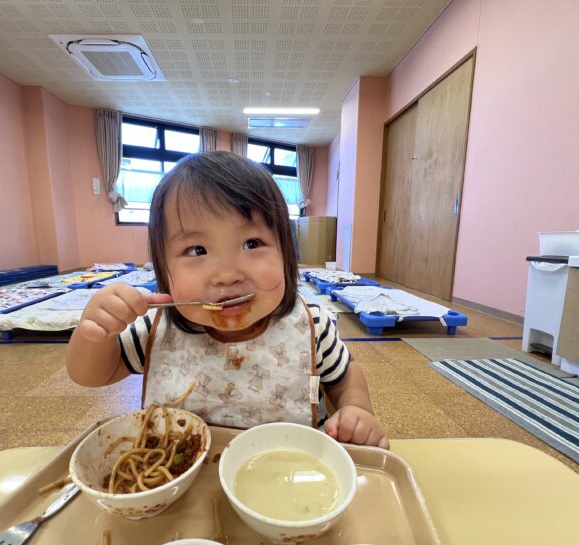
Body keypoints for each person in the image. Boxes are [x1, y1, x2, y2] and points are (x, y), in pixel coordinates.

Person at [67, 151, 389, 449]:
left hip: (286, 471)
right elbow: (94, 374)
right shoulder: (158, 329)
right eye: (197, 250)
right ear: (162, 269)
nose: (226, 274)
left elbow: (344, 375)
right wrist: (95, 334)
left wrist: (356, 410)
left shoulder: (311, 325)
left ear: (287, 253)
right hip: (185, 478)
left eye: (252, 243)